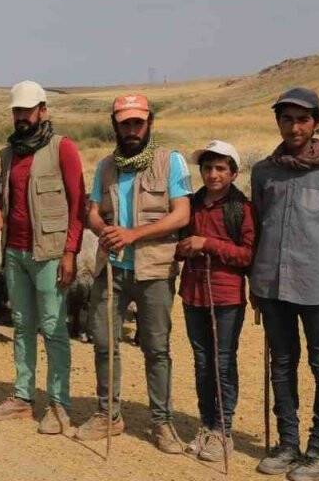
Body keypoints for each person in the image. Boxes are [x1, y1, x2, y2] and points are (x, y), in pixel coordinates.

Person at [250, 88, 319, 481]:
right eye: (287, 119)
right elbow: (257, 229)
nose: (294, 127)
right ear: (278, 122)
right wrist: (255, 282)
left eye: (302, 119)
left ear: (316, 122)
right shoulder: (264, 171)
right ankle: (288, 444)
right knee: (281, 364)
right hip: (272, 286)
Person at [78, 93, 191, 453]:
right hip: (111, 268)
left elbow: (181, 214)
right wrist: (102, 229)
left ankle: (161, 422)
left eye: (137, 122)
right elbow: (93, 211)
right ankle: (108, 414)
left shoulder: (170, 161)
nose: (131, 129)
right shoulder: (106, 166)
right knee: (104, 343)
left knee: (156, 347)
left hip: (154, 268)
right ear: (115, 125)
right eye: (125, 123)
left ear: (149, 122)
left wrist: (133, 234)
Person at [0, 80, 86, 434]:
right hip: (15, 251)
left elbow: (77, 205)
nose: (22, 117)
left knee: (54, 327)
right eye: (17, 111)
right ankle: (23, 397)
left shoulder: (62, 148)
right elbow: (7, 198)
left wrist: (70, 252)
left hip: (50, 252)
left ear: (42, 110)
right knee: (22, 325)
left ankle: (59, 404)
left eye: (27, 110)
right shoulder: (9, 153)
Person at [177, 140, 255, 463]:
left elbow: (247, 255)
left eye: (221, 168)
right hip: (193, 294)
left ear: (234, 173)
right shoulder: (191, 205)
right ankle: (206, 425)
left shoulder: (242, 209)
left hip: (226, 296)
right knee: (201, 362)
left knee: (222, 362)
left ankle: (223, 431)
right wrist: (184, 248)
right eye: (207, 168)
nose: (213, 174)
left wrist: (207, 243)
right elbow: (178, 244)